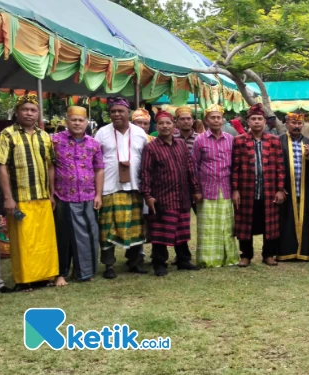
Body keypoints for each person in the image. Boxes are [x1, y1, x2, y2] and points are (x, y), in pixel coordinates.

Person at [0, 94, 59, 291]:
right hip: (20, 198)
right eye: (25, 109)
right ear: (17, 112)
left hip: (42, 196)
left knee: (43, 240)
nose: (29, 113)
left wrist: (51, 193)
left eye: (33, 110)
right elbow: (1, 166)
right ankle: (24, 280)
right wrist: (8, 197)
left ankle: (44, 277)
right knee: (23, 242)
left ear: (38, 113)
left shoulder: (44, 136)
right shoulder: (7, 135)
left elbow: (51, 165)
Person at [140, 110, 200, 276]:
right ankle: (160, 263)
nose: (165, 126)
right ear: (156, 127)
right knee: (160, 232)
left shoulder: (181, 144)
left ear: (174, 126)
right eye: (161, 123)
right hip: (162, 197)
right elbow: (145, 174)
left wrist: (195, 189)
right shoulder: (151, 148)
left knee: (182, 230)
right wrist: (148, 196)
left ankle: (183, 260)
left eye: (168, 123)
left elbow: (190, 168)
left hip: (182, 196)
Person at [94, 97, 147, 279]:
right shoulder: (101, 133)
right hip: (110, 187)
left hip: (135, 187)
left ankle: (134, 261)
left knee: (135, 227)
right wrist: (97, 192)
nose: (116, 114)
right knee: (108, 228)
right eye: (113, 111)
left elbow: (146, 161)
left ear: (128, 113)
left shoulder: (140, 133)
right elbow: (95, 162)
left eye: (120, 111)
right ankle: (109, 265)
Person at [53, 106, 104, 286]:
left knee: (88, 235)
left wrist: (98, 194)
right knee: (63, 236)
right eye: (73, 120)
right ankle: (61, 273)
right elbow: (49, 167)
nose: (77, 123)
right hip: (63, 196)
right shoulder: (55, 141)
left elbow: (99, 170)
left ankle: (84, 272)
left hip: (88, 196)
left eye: (80, 120)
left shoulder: (94, 144)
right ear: (66, 121)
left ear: (86, 122)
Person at [232, 104, 285, 267]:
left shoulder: (274, 141)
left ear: (264, 122)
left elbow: (280, 166)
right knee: (245, 222)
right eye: (253, 119)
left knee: (270, 222)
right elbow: (235, 167)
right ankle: (246, 255)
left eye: (259, 119)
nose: (256, 122)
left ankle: (268, 254)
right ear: (248, 122)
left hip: (268, 189)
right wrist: (235, 190)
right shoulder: (239, 140)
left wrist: (280, 189)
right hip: (247, 190)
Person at [193, 104, 239, 268]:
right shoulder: (200, 140)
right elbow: (194, 166)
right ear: (206, 120)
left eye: (218, 117)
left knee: (226, 225)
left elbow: (235, 166)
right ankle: (208, 259)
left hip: (226, 188)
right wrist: (196, 189)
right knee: (208, 226)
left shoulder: (230, 139)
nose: (216, 120)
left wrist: (235, 190)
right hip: (207, 189)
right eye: (212, 117)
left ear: (223, 120)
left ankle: (229, 258)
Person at [278, 113, 309, 261]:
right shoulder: (279, 141)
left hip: (304, 188)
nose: (297, 126)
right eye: (294, 123)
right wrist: (279, 187)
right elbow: (275, 165)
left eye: (300, 123)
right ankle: (286, 252)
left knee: (305, 219)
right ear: (287, 123)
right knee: (286, 220)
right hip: (286, 188)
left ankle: (304, 252)